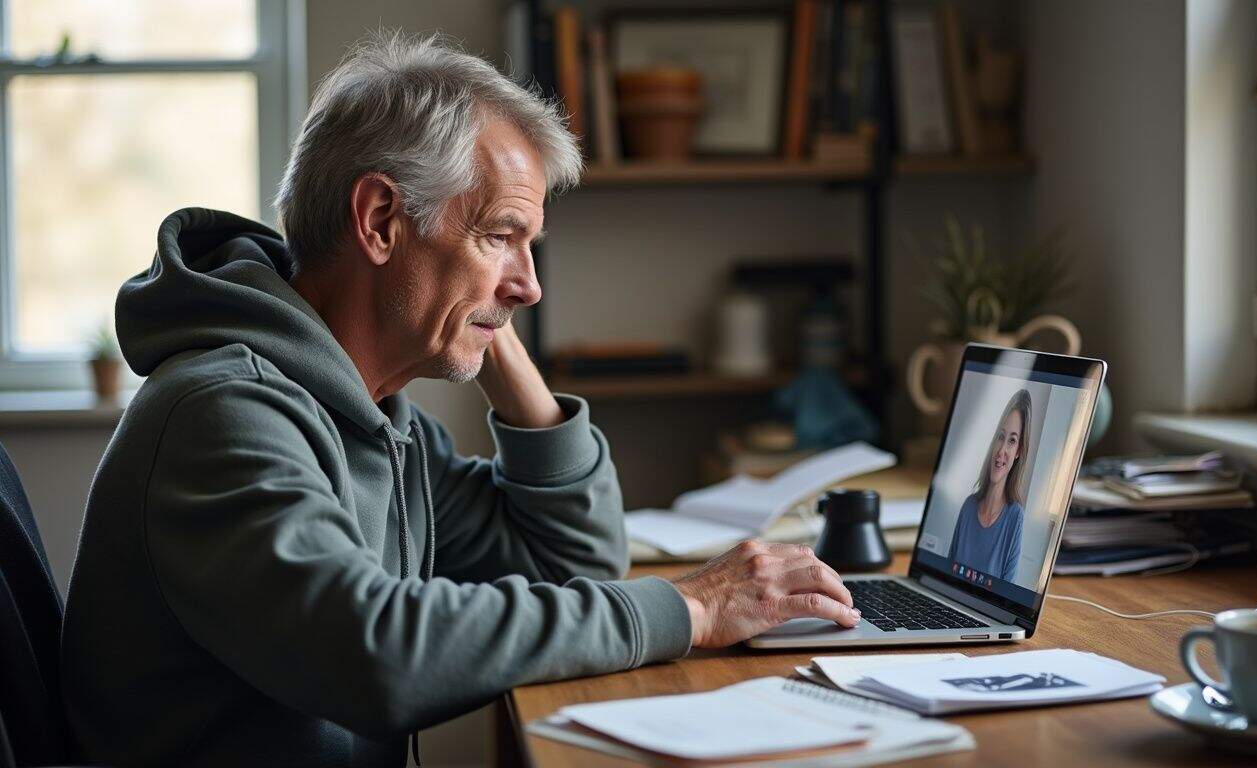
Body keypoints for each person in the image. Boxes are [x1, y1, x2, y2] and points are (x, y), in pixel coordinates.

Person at [59, 34, 858, 768]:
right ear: (379, 220)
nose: (532, 284)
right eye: (503, 234)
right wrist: (690, 607)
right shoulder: (221, 416)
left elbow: (572, 564)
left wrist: (484, 313)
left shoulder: (371, 416)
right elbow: (378, 654)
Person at [947, 389, 1032, 582]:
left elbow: (1005, 594)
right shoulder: (968, 506)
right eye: (1000, 437)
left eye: (1011, 440)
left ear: (1018, 451)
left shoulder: (1015, 516)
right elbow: (947, 574)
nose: (1002, 450)